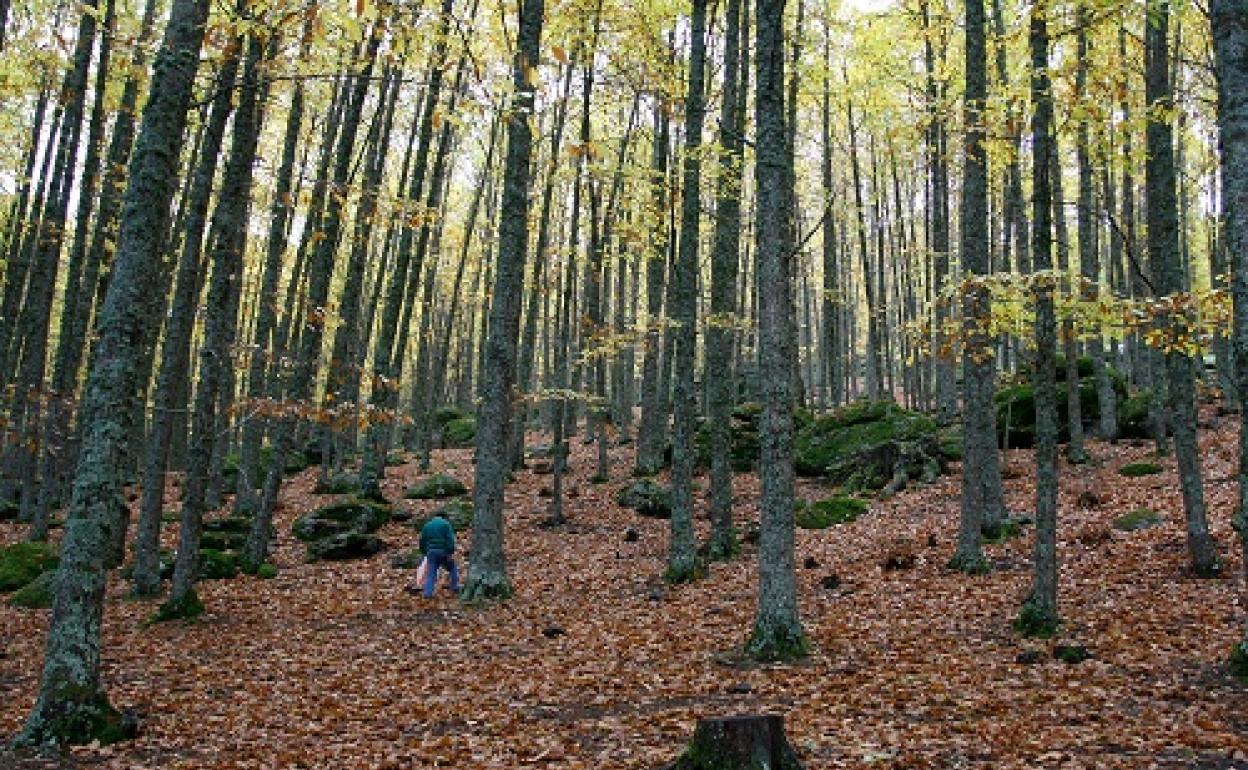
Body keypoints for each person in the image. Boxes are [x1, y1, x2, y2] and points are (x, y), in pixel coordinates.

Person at [418, 511, 460, 597]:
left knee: (431, 573)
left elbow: (422, 541)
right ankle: (455, 586)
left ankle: (427, 593)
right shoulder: (446, 524)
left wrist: (424, 552)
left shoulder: (427, 525)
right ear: (444, 517)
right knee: (452, 567)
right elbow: (450, 540)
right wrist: (450, 552)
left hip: (431, 552)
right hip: (443, 551)